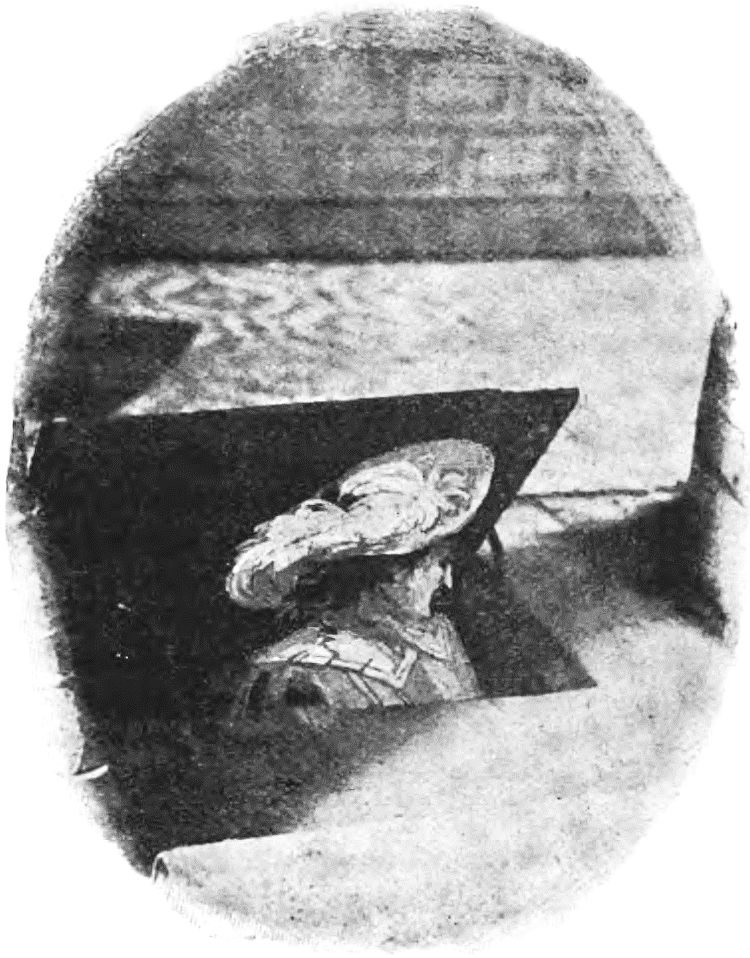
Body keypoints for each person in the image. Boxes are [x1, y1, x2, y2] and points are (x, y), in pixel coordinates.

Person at [225, 439, 495, 725]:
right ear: (383, 576)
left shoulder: (438, 640)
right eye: (435, 566)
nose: (445, 582)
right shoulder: (300, 672)